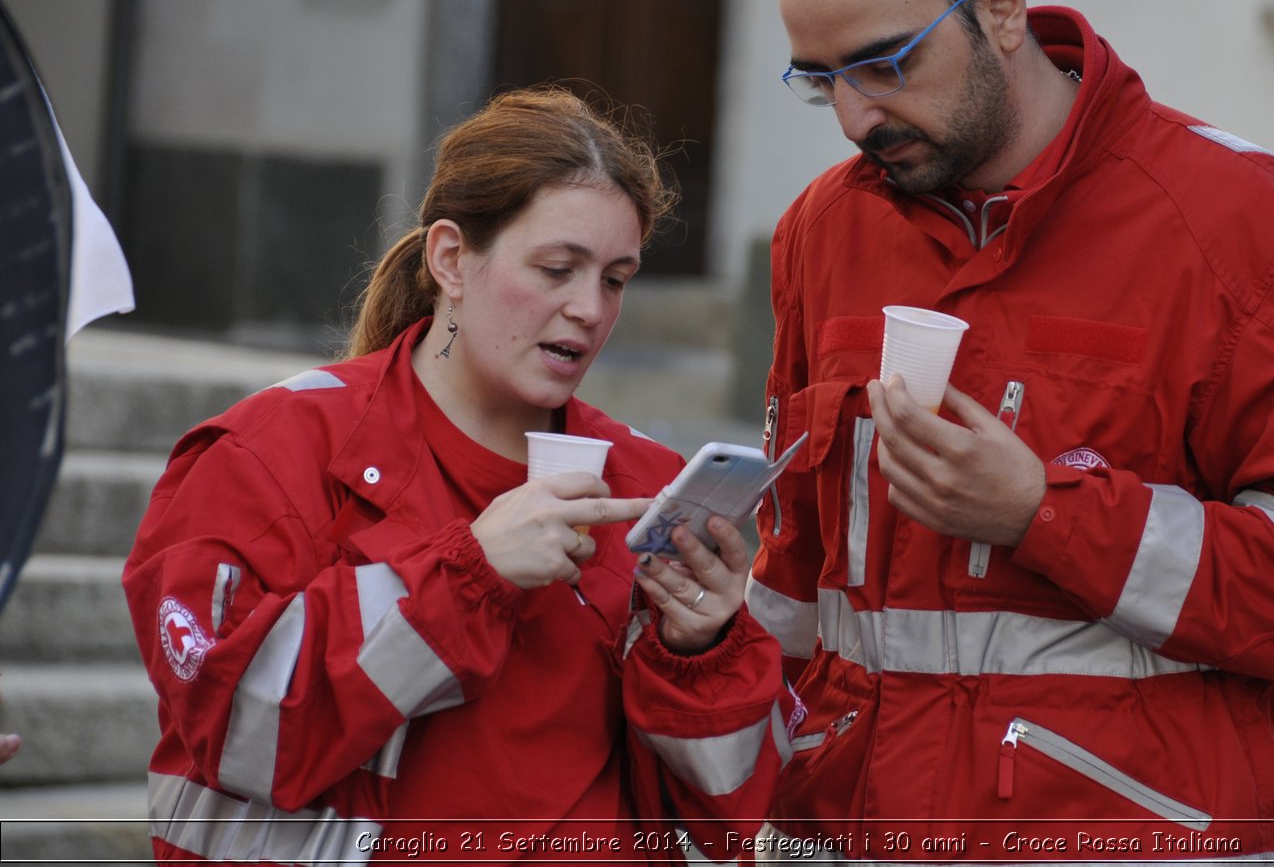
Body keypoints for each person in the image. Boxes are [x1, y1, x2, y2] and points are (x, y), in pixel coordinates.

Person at [746, 0, 1274, 863]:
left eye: (884, 64)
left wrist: (1044, 513)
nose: (853, 117)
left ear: (1002, 11)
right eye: (820, 81)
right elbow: (791, 587)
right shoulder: (820, 232)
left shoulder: (1247, 230)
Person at [122, 87, 790, 864]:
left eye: (615, 278)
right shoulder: (269, 452)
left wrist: (704, 648)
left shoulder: (647, 479)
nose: (588, 308)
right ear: (450, 259)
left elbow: (730, 821)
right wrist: (465, 577)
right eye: (555, 267)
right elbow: (236, 732)